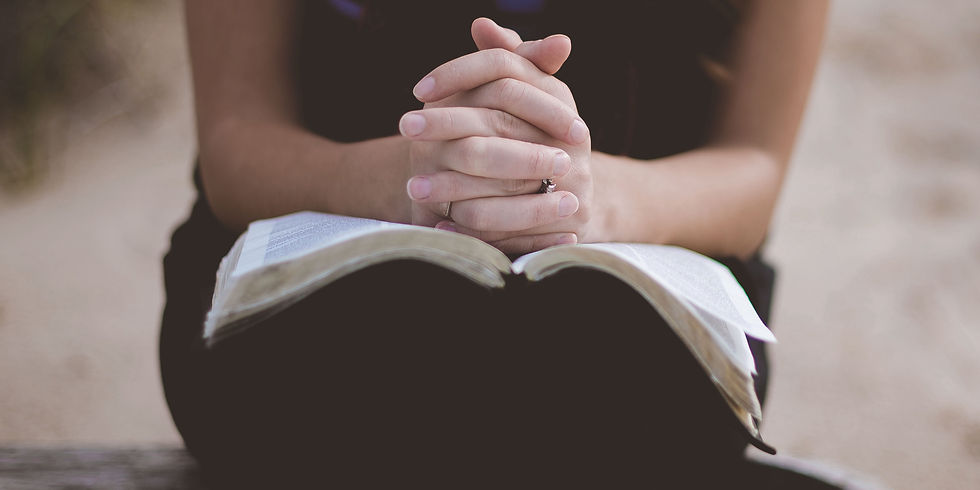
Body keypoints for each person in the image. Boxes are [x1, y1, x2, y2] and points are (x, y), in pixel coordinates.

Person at [161, 1, 828, 487]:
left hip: (635, 325)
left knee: (608, 407)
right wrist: (415, 180)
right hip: (321, 312)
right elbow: (236, 140)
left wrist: (586, 197)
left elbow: (754, 164)